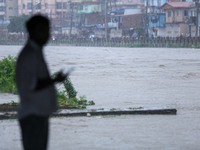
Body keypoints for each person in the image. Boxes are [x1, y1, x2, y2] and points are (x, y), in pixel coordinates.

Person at [16, 15, 67, 150]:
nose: (47, 35)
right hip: (32, 115)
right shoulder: (30, 55)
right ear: (32, 31)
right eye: (43, 30)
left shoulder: (35, 52)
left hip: (38, 114)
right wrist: (55, 80)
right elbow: (32, 84)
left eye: (48, 30)